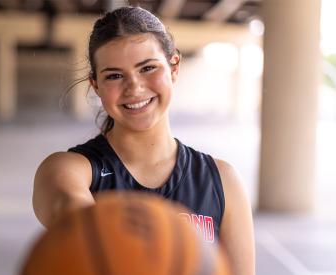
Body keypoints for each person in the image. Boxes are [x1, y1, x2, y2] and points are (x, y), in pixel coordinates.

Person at [32, 6, 255, 275]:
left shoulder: (222, 181)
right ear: (95, 85)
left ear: (174, 68)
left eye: (148, 68)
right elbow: (74, 216)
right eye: (114, 75)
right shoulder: (69, 170)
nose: (134, 87)